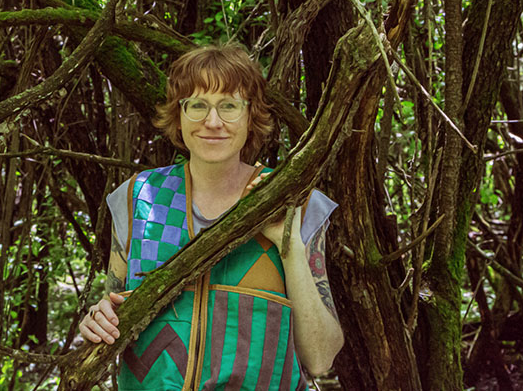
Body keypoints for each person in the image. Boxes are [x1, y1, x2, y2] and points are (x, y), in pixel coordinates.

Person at [78, 44, 343, 390]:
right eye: (197, 106)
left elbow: (321, 357)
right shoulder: (137, 198)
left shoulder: (294, 200)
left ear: (252, 115)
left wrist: (288, 243)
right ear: (179, 114)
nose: (213, 122)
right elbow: (112, 309)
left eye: (229, 106)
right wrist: (97, 320)